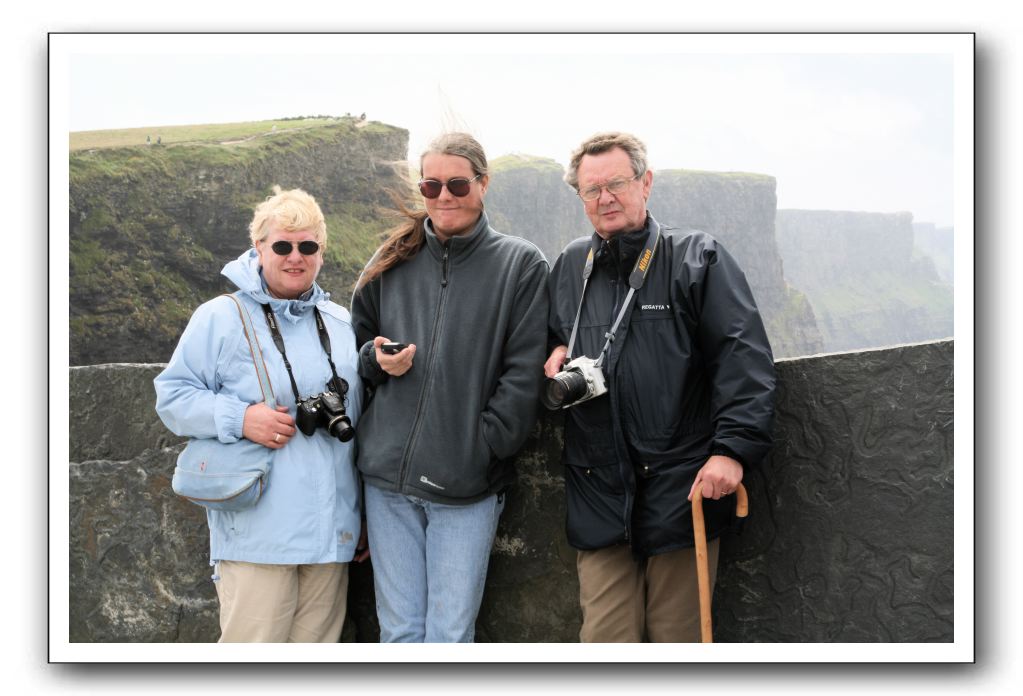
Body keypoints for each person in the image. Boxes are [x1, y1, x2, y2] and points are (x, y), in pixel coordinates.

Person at [544, 132, 776, 642]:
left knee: (678, 642)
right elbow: (545, 338)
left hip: (681, 486)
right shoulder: (568, 267)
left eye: (617, 183)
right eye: (591, 190)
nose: (605, 198)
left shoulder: (697, 258)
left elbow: (744, 358)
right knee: (604, 643)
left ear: (645, 183)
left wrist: (732, 451)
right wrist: (555, 348)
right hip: (598, 488)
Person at [350, 132, 549, 642]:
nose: (444, 196)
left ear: (483, 184)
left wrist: (482, 448)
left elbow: (523, 373)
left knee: (449, 636)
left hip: (465, 487)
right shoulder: (392, 256)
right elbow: (354, 353)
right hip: (386, 482)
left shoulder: (520, 264)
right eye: (431, 184)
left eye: (458, 183)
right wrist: (375, 361)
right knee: (398, 633)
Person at [154, 186, 366, 642]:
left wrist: (362, 516)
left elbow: (362, 422)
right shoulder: (221, 317)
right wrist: (241, 418)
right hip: (257, 534)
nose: (295, 257)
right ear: (259, 249)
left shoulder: (341, 324)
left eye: (307, 246)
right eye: (282, 246)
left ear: (321, 253)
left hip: (331, 537)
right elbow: (172, 397)